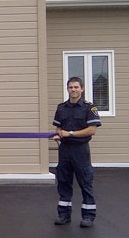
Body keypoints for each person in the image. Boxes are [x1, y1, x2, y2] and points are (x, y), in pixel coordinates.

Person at [51, 77, 101, 228]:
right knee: (64, 182)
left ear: (82, 89)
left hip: (80, 150)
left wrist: (70, 133)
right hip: (65, 150)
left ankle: (88, 216)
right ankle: (64, 214)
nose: (73, 90)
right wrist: (59, 134)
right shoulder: (61, 108)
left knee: (85, 183)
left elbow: (92, 130)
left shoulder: (89, 108)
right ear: (67, 89)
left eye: (76, 87)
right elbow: (58, 128)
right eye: (70, 87)